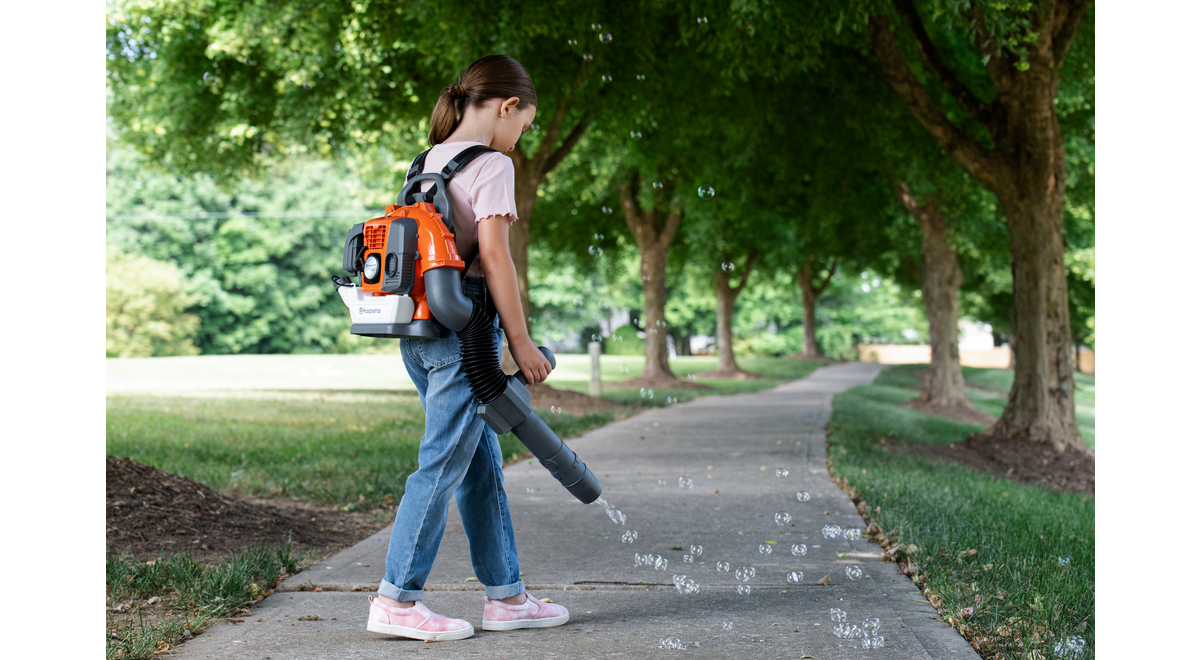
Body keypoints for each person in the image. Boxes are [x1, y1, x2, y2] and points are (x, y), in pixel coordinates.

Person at [364, 55, 565, 642]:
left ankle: (506, 597)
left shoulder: (425, 162)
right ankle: (396, 600)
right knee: (442, 466)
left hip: (420, 335)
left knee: (479, 464)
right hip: (465, 338)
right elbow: (496, 257)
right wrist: (522, 344)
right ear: (507, 107)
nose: (520, 139)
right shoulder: (493, 164)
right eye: (523, 126)